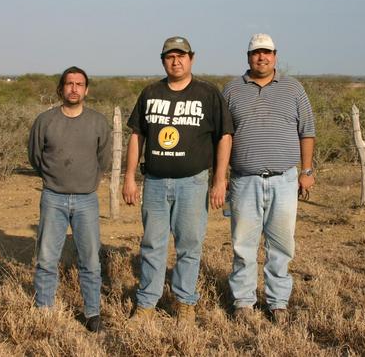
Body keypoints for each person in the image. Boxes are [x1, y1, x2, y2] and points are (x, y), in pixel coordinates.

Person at [123, 36, 233, 324]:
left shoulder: (208, 94)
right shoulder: (150, 92)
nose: (176, 61)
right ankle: (147, 303)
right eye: (170, 56)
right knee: (152, 244)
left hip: (193, 182)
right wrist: (129, 178)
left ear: (191, 59)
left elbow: (225, 136)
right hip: (156, 182)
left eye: (181, 56)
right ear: (163, 61)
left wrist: (219, 179)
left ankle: (185, 302)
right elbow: (137, 135)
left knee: (189, 245)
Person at [222, 33, 315, 324]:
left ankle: (278, 303)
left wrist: (307, 171)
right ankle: (244, 303)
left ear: (275, 55)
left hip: (285, 180)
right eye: (256, 53)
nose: (261, 58)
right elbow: (223, 136)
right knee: (243, 245)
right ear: (248, 56)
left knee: (281, 245)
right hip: (244, 179)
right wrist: (221, 176)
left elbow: (307, 131)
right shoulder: (231, 91)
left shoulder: (293, 88)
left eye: (267, 53)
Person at [28, 66, 111, 333]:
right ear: (60, 89)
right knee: (46, 258)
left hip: (87, 199)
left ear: (86, 90)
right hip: (53, 197)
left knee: (90, 260)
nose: (74, 88)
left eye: (79, 84)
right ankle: (44, 311)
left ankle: (92, 313)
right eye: (69, 84)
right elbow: (35, 157)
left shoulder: (98, 121)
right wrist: (55, 178)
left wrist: (87, 181)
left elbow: (105, 159)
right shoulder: (45, 121)